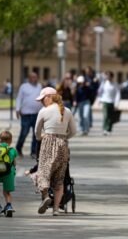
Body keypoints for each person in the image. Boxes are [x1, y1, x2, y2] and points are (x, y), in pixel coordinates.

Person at [34, 87, 76, 216]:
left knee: (44, 173)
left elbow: (37, 132)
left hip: (47, 143)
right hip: (63, 145)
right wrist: (63, 138)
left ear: (49, 97)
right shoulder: (67, 111)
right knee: (59, 178)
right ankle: (56, 209)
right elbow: (73, 131)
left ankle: (46, 196)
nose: (41, 102)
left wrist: (42, 137)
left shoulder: (43, 111)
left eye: (42, 99)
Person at [15, 72, 42, 157]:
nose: (34, 79)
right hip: (26, 114)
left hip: (37, 114)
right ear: (29, 78)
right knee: (24, 133)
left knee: (36, 134)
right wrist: (17, 109)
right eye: (32, 77)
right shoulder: (24, 86)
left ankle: (33, 151)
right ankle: (18, 148)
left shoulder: (39, 86)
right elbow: (19, 98)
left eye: (36, 77)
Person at [0, 130, 17, 215]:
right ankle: (8, 205)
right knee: (7, 191)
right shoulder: (12, 150)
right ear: (10, 141)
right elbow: (14, 163)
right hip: (8, 173)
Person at [98, 71, 120, 136]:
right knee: (105, 116)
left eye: (110, 76)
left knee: (110, 117)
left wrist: (117, 104)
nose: (108, 77)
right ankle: (104, 129)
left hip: (112, 102)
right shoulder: (104, 83)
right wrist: (99, 100)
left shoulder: (115, 84)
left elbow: (118, 94)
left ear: (112, 77)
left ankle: (109, 129)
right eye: (107, 76)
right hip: (105, 102)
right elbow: (100, 92)